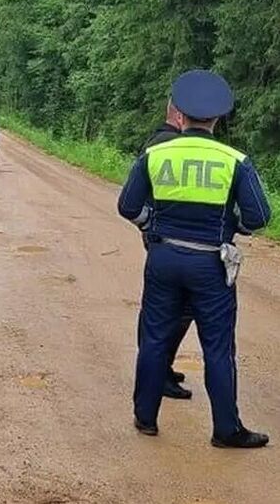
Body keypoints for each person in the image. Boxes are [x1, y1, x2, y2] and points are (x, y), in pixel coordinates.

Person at [118, 70, 272, 448]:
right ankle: (225, 430)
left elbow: (127, 206)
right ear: (217, 119)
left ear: (179, 115)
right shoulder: (235, 160)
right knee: (217, 347)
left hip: (164, 257)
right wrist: (231, 227)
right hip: (210, 264)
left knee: (154, 339)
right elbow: (260, 217)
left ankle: (145, 417)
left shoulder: (155, 154)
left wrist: (152, 222)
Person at [139, 105, 194, 401]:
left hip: (160, 234)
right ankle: (159, 371)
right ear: (180, 116)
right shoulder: (168, 144)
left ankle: (161, 368)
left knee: (166, 309)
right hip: (170, 236)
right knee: (178, 310)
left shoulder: (157, 140)